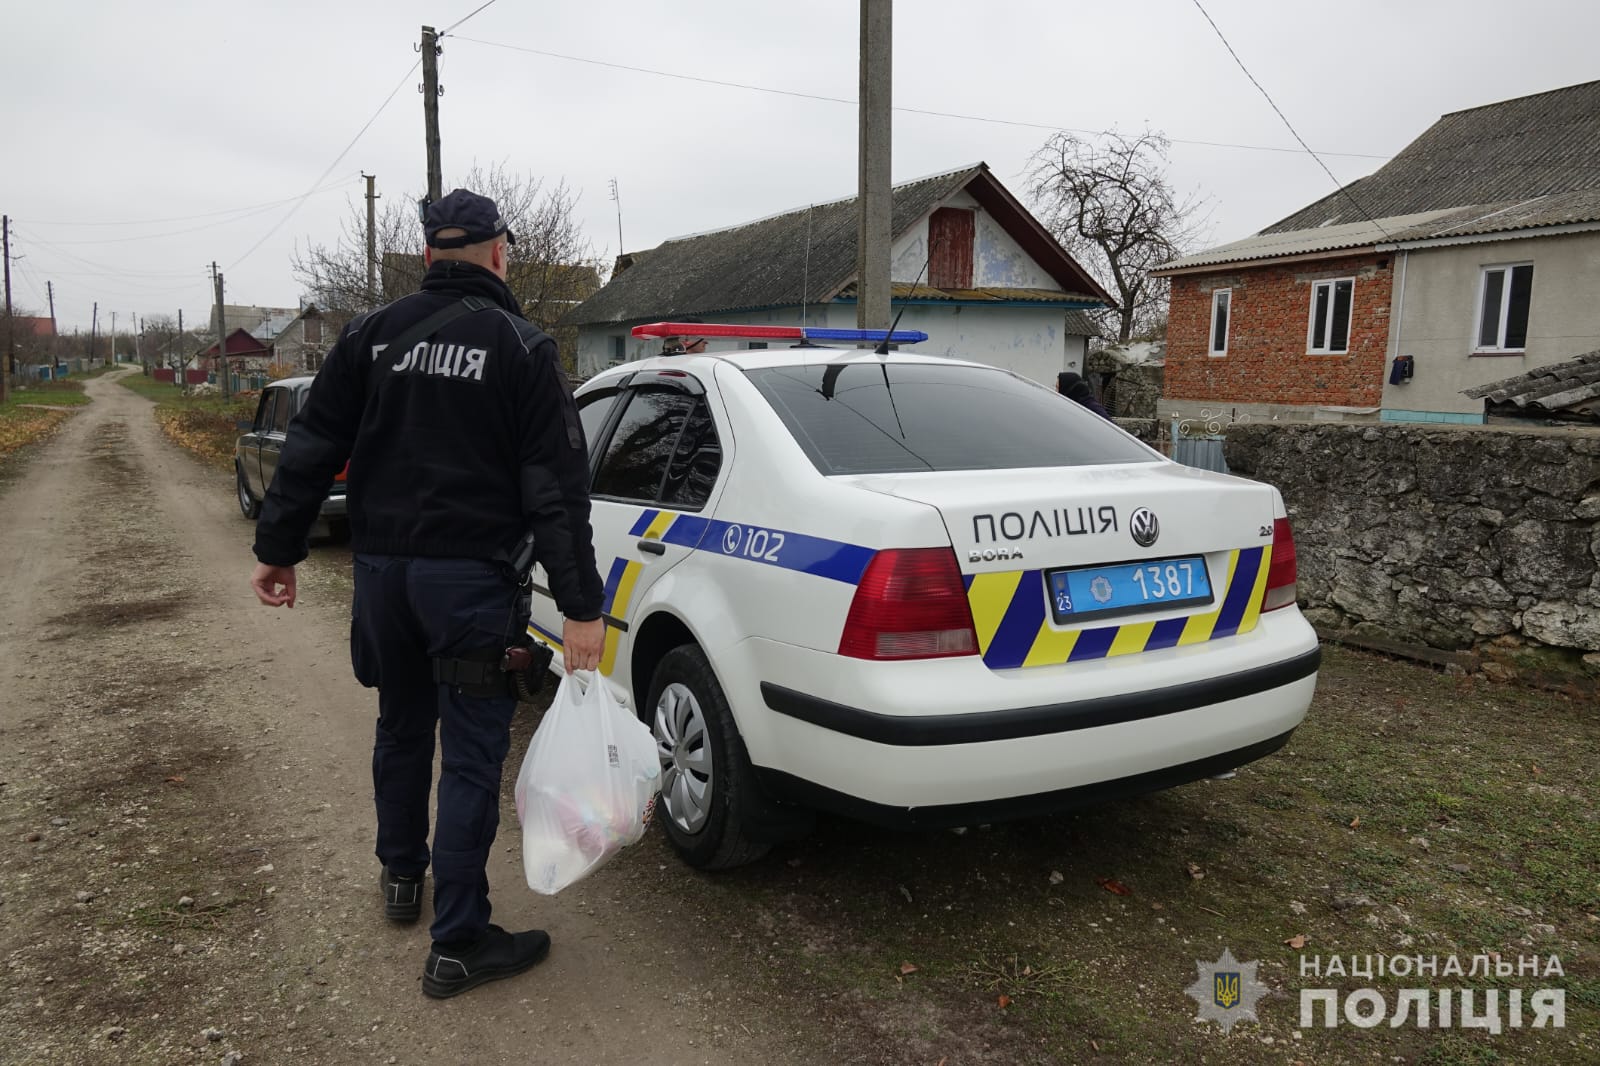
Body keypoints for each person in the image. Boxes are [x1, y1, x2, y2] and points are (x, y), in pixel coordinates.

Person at [247, 188, 606, 999]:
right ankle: (458, 942)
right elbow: (556, 492)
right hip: (470, 586)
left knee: (402, 727)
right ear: (500, 253)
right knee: (472, 757)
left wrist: (278, 548)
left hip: (383, 581)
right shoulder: (520, 347)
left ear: (425, 254)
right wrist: (582, 607)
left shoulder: (367, 336)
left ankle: (402, 877)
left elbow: (311, 443)